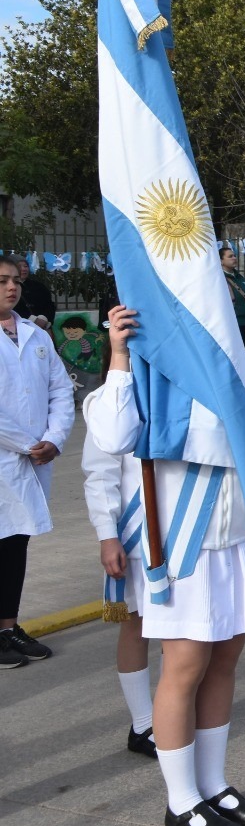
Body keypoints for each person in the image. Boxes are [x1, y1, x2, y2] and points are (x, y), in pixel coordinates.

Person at [88, 304, 245, 826]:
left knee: (225, 660)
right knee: (185, 664)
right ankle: (180, 803)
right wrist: (117, 355)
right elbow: (112, 435)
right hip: (184, 540)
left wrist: (228, 410)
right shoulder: (147, 365)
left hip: (240, 535)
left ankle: (213, 784)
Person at [0, 255, 74, 668]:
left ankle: (8, 627)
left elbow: (60, 391)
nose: (11, 288)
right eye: (2, 281)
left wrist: (54, 439)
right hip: (9, 455)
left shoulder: (35, 335)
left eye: (15, 281)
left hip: (33, 457)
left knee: (16, 541)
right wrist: (30, 444)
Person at [82, 426, 157, 754]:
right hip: (135, 530)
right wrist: (107, 535)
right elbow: (100, 473)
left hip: (180, 532)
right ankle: (143, 724)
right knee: (136, 624)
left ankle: (175, 713)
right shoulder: (110, 400)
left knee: (181, 631)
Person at [221, 247, 245, 352]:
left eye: (234, 256)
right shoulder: (219, 277)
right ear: (221, 261)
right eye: (230, 256)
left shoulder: (240, 277)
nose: (234, 258)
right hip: (237, 323)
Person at [15, 258, 57, 330]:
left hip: (42, 328)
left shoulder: (39, 286)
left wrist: (44, 318)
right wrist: (33, 320)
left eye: (26, 266)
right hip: (19, 328)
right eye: (19, 266)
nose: (23, 269)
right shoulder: (9, 287)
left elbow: (49, 305)